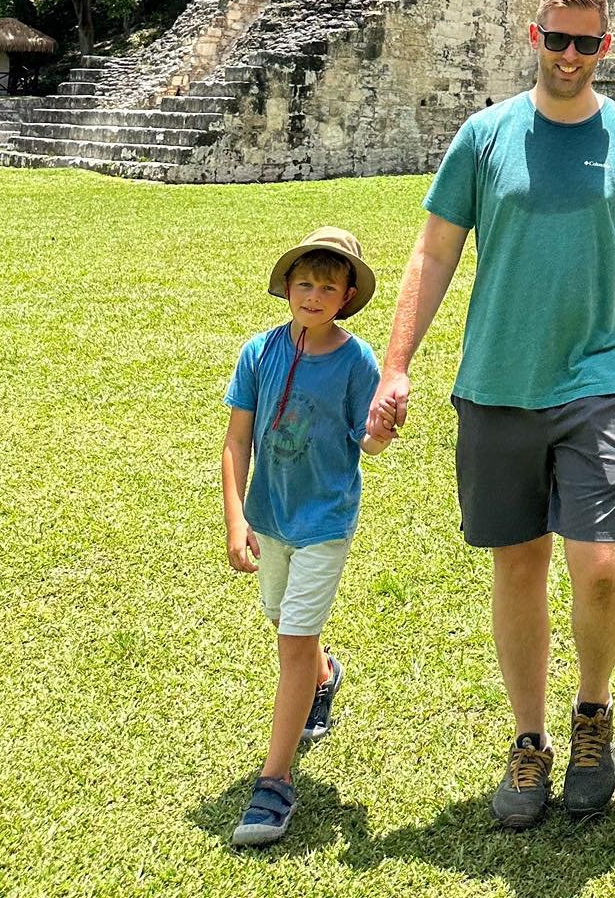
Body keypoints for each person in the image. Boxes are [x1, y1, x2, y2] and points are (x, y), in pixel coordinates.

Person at [365, 0, 615, 829]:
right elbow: (435, 254)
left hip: (598, 378)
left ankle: (592, 714)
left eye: (585, 44)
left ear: (607, 48)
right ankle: (528, 742)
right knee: (517, 565)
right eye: (557, 39)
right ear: (533, 35)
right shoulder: (485, 136)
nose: (569, 56)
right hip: (497, 381)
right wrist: (397, 363)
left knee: (597, 566)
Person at [221, 226, 390, 848]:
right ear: (287, 288)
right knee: (283, 623)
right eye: (304, 283)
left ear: (347, 295)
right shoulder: (258, 354)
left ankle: (274, 781)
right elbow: (237, 441)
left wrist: (382, 432)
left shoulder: (356, 361)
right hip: (270, 518)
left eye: (328, 285)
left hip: (324, 520)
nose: (314, 294)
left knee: (292, 642)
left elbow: (365, 441)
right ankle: (323, 676)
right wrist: (237, 518)